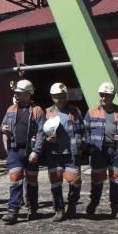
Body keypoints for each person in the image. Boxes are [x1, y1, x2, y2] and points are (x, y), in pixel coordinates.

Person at [84, 81, 118, 218]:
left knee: (117, 180)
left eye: (107, 95)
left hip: (116, 151)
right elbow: (84, 131)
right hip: (98, 151)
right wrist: (90, 147)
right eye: (102, 95)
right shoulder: (92, 111)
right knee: (97, 180)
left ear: (112, 96)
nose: (104, 97)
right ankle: (93, 204)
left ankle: (115, 208)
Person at [1, 79, 44, 224]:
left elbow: (40, 133)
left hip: (30, 151)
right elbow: (3, 125)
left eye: (19, 93)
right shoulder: (11, 109)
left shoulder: (37, 111)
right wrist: (4, 129)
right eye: (16, 93)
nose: (17, 95)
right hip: (15, 151)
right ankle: (12, 211)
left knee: (32, 182)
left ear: (27, 94)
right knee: (15, 181)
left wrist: (36, 151)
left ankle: (32, 209)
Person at [43, 83, 85, 222]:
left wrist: (82, 144)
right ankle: (59, 210)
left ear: (66, 96)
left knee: (75, 181)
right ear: (52, 97)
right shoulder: (47, 112)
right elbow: (39, 132)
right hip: (54, 154)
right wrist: (46, 138)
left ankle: (72, 205)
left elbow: (84, 130)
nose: (59, 99)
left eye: (62, 96)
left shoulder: (75, 111)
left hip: (72, 153)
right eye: (56, 97)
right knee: (55, 183)